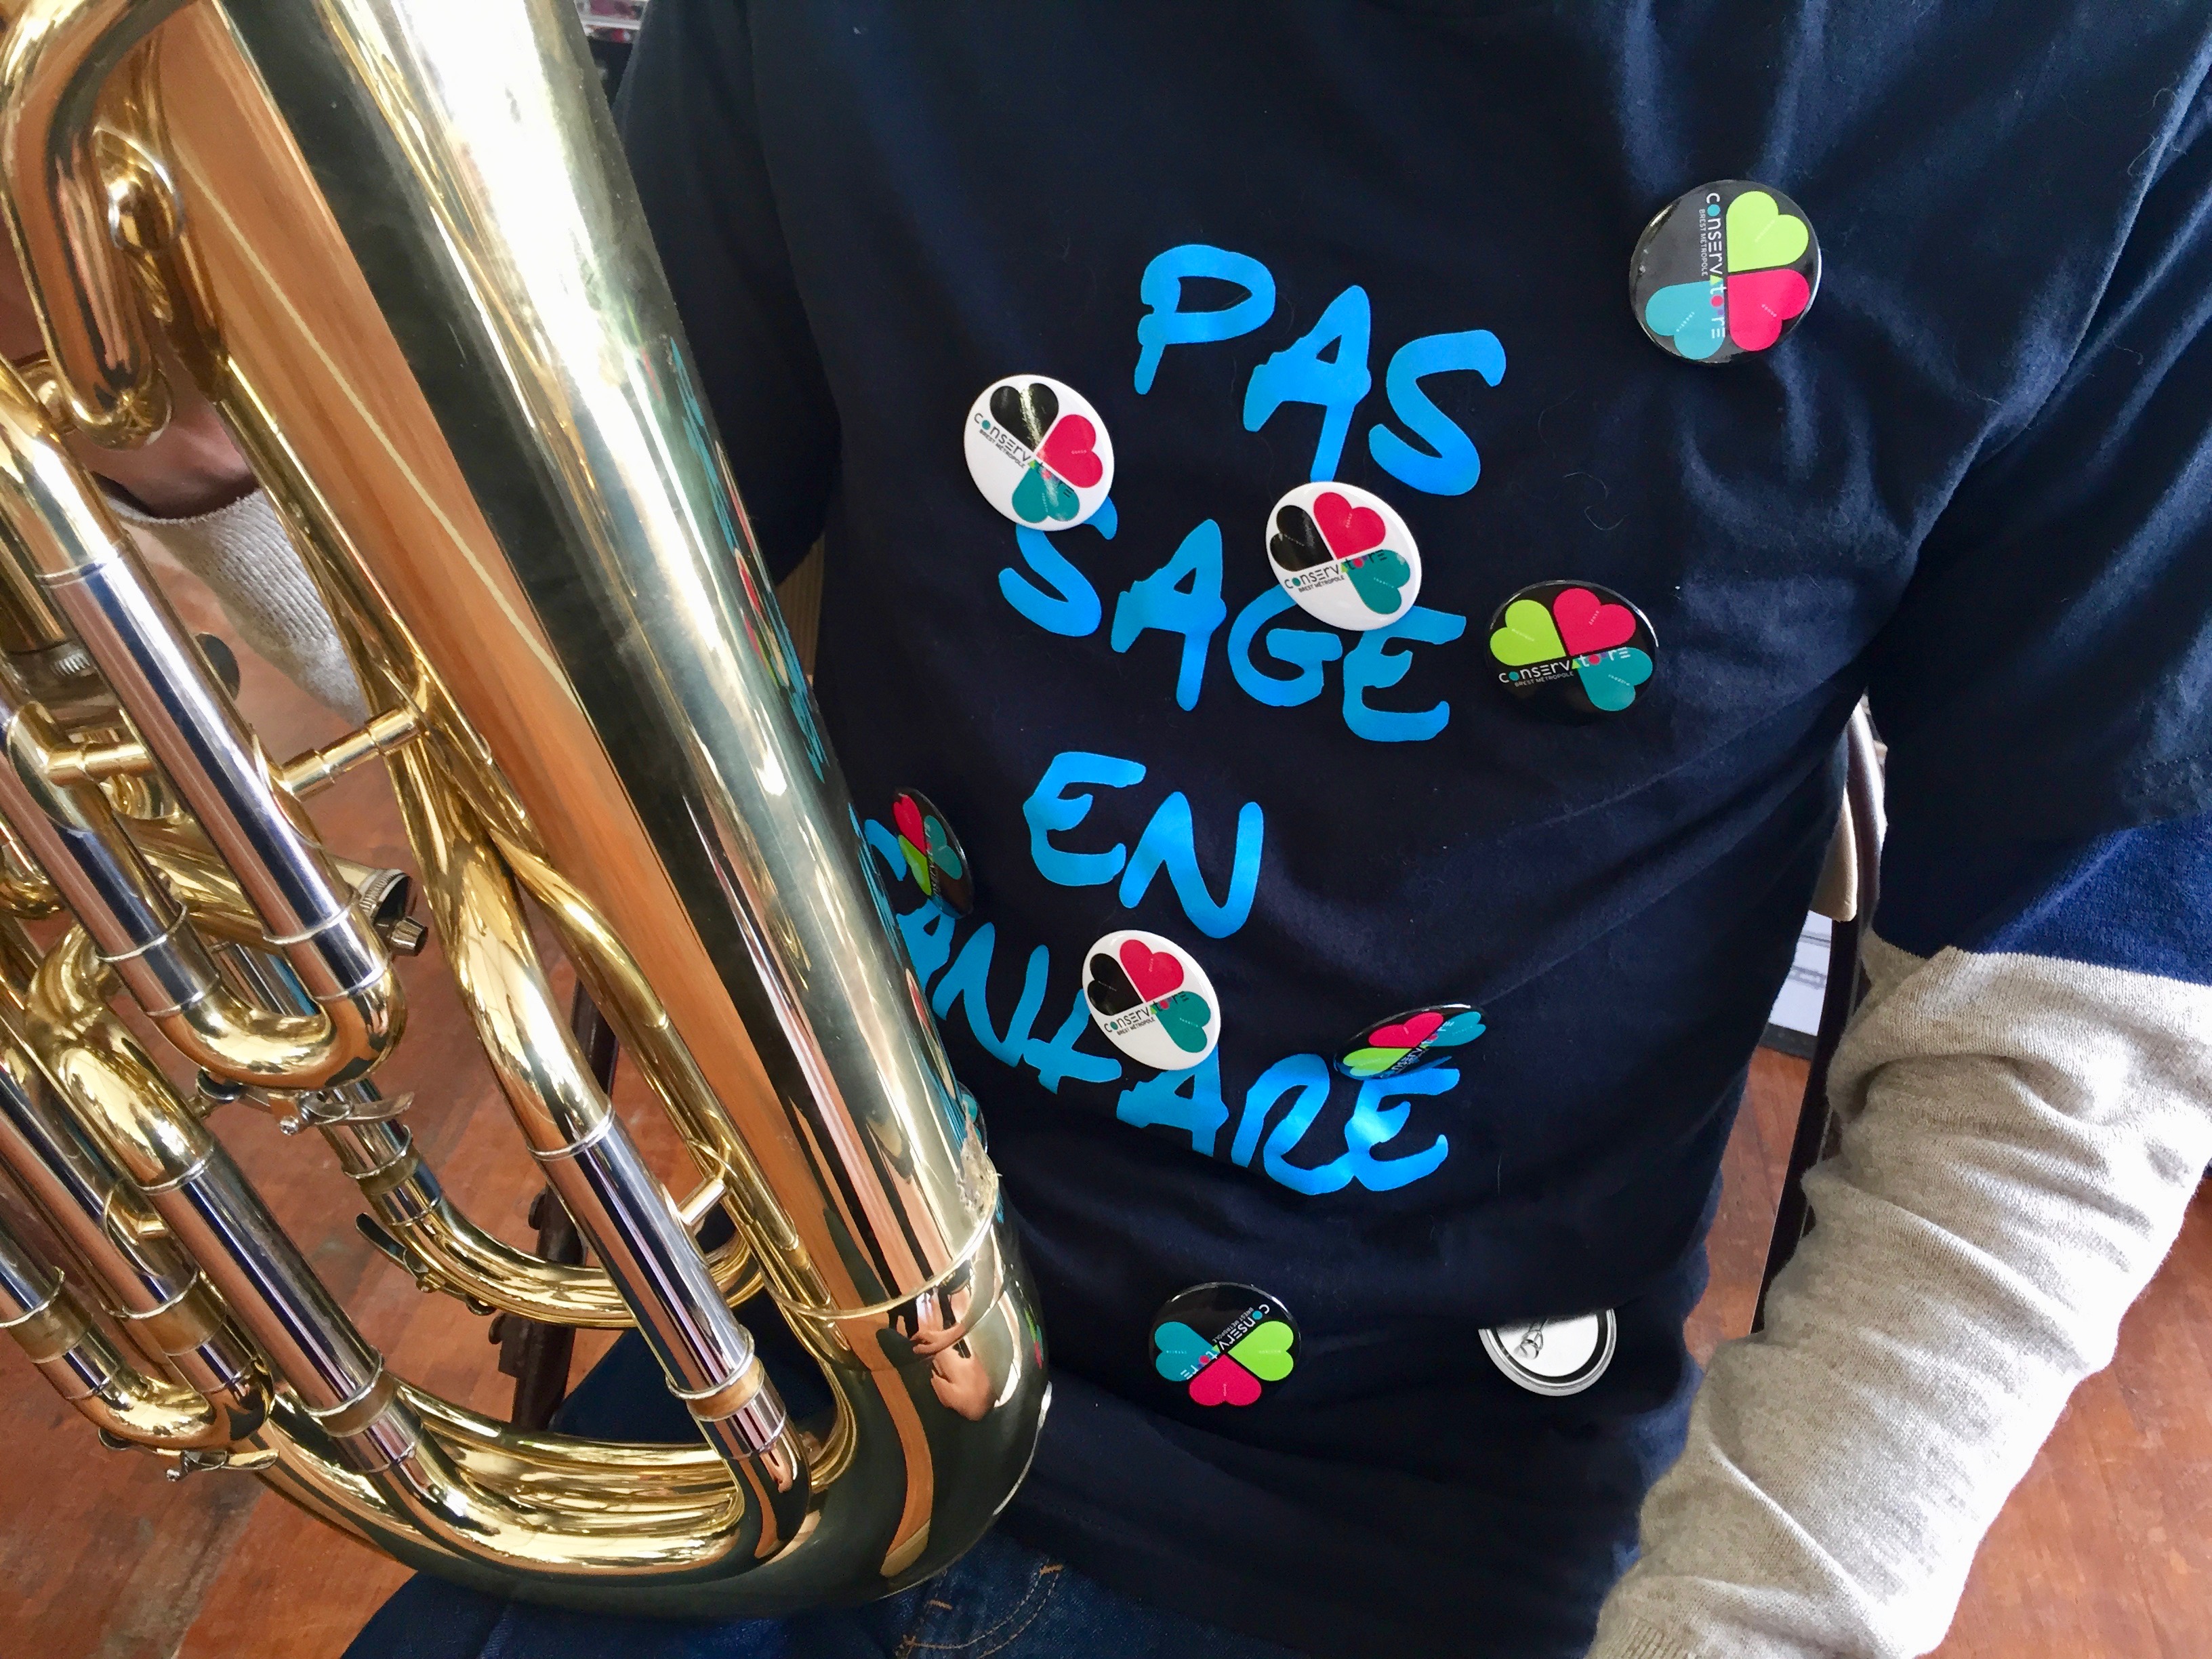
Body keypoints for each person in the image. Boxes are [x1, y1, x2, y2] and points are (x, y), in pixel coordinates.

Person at [94, 5, 2212, 1657]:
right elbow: (559, 652)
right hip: (804, 1378)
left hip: (1409, 1525)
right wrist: (214, 468)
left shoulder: (2110, 85)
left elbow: (2061, 1042)